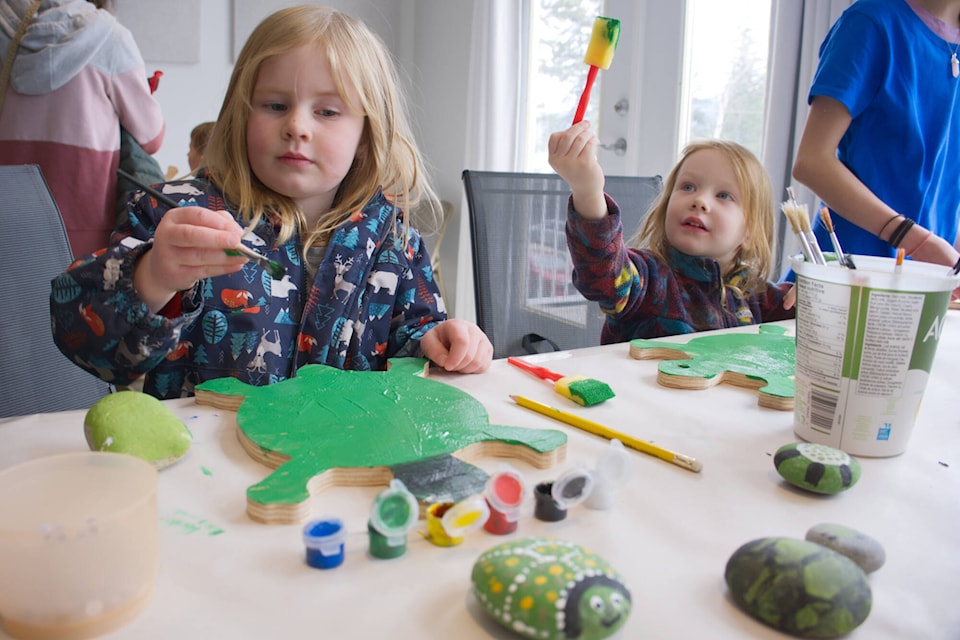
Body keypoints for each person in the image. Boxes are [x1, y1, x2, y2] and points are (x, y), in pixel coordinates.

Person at [50, 5, 491, 400]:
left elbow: (411, 342)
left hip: (340, 470)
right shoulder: (176, 216)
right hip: (206, 470)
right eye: (276, 105)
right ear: (241, 116)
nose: (297, 125)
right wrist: (153, 277)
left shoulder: (395, 241)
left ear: (366, 136)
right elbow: (83, 342)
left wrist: (440, 342)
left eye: (328, 112)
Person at [548, 121, 794, 343]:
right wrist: (588, 191)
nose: (700, 200)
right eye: (688, 186)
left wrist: (818, 298)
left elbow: (811, 322)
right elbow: (603, 275)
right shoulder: (650, 279)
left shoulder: (757, 298)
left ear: (749, 233)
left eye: (723, 195)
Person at [792, 0, 960, 274]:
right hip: (848, 276)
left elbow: (945, 183)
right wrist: (916, 241)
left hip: (928, 282)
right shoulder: (869, 23)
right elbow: (812, 162)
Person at [0, 0, 165, 257]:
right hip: (83, 226)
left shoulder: (8, 33)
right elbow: (151, 137)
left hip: (10, 219)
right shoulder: (111, 38)